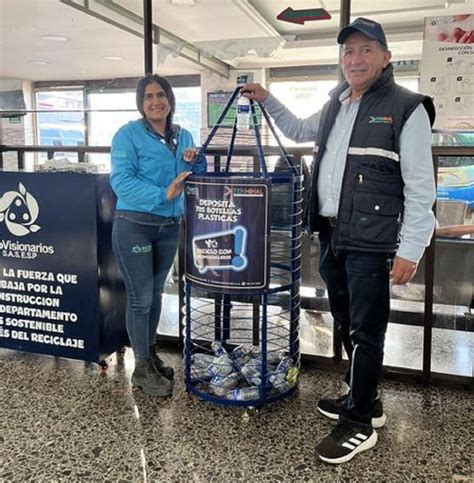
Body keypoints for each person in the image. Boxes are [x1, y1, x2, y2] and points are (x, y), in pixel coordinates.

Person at [242, 17, 436, 464]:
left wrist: (411, 247)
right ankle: (365, 398)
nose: (356, 58)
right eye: (348, 51)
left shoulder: (407, 108)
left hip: (371, 239)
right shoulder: (336, 104)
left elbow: (421, 185)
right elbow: (296, 129)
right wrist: (268, 99)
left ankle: (358, 423)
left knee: (367, 330)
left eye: (367, 50)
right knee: (348, 322)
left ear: (386, 58)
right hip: (332, 232)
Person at [110, 74, 206, 397]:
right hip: (134, 225)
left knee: (155, 295)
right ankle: (141, 369)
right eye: (148, 96)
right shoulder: (127, 136)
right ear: (141, 103)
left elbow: (196, 177)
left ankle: (149, 356)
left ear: (170, 100)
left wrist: (197, 159)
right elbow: (121, 182)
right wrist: (163, 193)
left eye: (161, 95)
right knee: (140, 298)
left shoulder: (184, 135)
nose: (155, 101)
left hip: (168, 227)